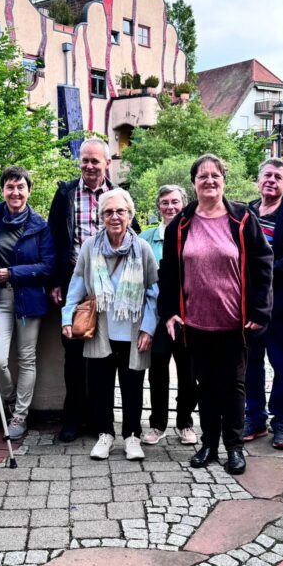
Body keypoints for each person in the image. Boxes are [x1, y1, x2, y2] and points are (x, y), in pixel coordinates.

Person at [160, 155, 273, 476]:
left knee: (234, 387)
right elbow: (168, 273)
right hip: (195, 322)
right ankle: (209, 444)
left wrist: (259, 310)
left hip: (234, 322)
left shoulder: (242, 219)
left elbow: (263, 263)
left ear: (223, 180)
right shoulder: (181, 224)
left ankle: (234, 448)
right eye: (202, 176)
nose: (209, 181)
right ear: (193, 183)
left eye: (215, 175)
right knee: (205, 386)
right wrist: (169, 312)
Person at [62, 189, 158, 460]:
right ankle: (105, 434)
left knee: (133, 387)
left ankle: (132, 436)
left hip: (133, 329)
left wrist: (148, 328)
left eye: (120, 211)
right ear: (100, 216)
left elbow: (153, 291)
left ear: (130, 214)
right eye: (108, 212)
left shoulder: (143, 248)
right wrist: (67, 316)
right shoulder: (91, 247)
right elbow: (77, 281)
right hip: (100, 328)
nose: (114, 217)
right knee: (100, 386)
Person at [0, 166, 56, 440]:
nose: (15, 192)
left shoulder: (40, 225)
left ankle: (20, 416)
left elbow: (48, 266)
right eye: (10, 187)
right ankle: (11, 400)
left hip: (29, 298)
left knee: (27, 358)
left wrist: (13, 272)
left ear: (29, 191)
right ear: (3, 190)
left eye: (20, 187)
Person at [48, 138, 116, 442]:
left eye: (95, 161)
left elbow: (133, 233)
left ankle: (100, 419)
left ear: (106, 164)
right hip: (74, 286)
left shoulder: (117, 196)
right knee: (74, 356)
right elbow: (52, 241)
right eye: (85, 160)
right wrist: (55, 282)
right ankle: (72, 418)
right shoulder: (65, 194)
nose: (89, 166)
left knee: (104, 357)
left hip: (111, 289)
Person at [243, 158, 283, 450]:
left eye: (277, 177)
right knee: (250, 362)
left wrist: (264, 271)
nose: (271, 180)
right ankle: (254, 417)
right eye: (266, 175)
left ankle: (281, 421)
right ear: (258, 181)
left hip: (277, 301)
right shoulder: (246, 211)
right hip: (246, 300)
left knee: (281, 361)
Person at [141, 185, 198, 446]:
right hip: (157, 314)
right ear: (158, 207)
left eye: (175, 202)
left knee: (188, 370)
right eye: (164, 202)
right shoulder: (146, 238)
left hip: (189, 313)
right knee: (158, 371)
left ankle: (185, 422)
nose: (170, 207)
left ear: (184, 204)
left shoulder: (195, 234)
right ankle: (157, 424)